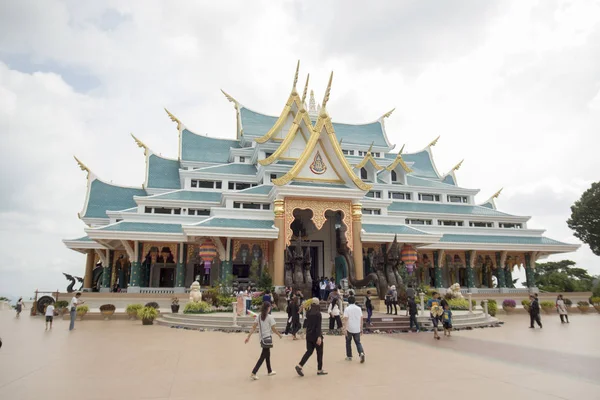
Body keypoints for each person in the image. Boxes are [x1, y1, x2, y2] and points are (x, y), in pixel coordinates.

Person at [245, 302, 282, 380]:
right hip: (267, 338)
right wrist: (279, 335)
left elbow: (253, 327)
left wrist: (248, 336)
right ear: (268, 308)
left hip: (262, 339)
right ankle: (254, 372)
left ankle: (269, 371)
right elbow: (273, 328)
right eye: (270, 307)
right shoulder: (270, 317)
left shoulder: (258, 317)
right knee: (263, 356)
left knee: (267, 354)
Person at [295, 298, 327, 377]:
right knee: (319, 353)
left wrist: (304, 332)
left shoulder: (308, 313)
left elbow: (306, 324)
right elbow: (318, 326)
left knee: (309, 351)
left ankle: (300, 365)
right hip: (316, 335)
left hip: (309, 335)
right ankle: (319, 370)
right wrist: (319, 336)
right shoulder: (318, 314)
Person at [343, 296, 365, 363]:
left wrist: (345, 328)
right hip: (357, 328)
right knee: (358, 342)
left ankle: (349, 356)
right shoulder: (358, 308)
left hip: (349, 328)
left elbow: (345, 319)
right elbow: (361, 319)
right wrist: (361, 328)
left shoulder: (347, 309)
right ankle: (361, 353)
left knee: (348, 342)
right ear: (354, 301)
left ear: (348, 302)